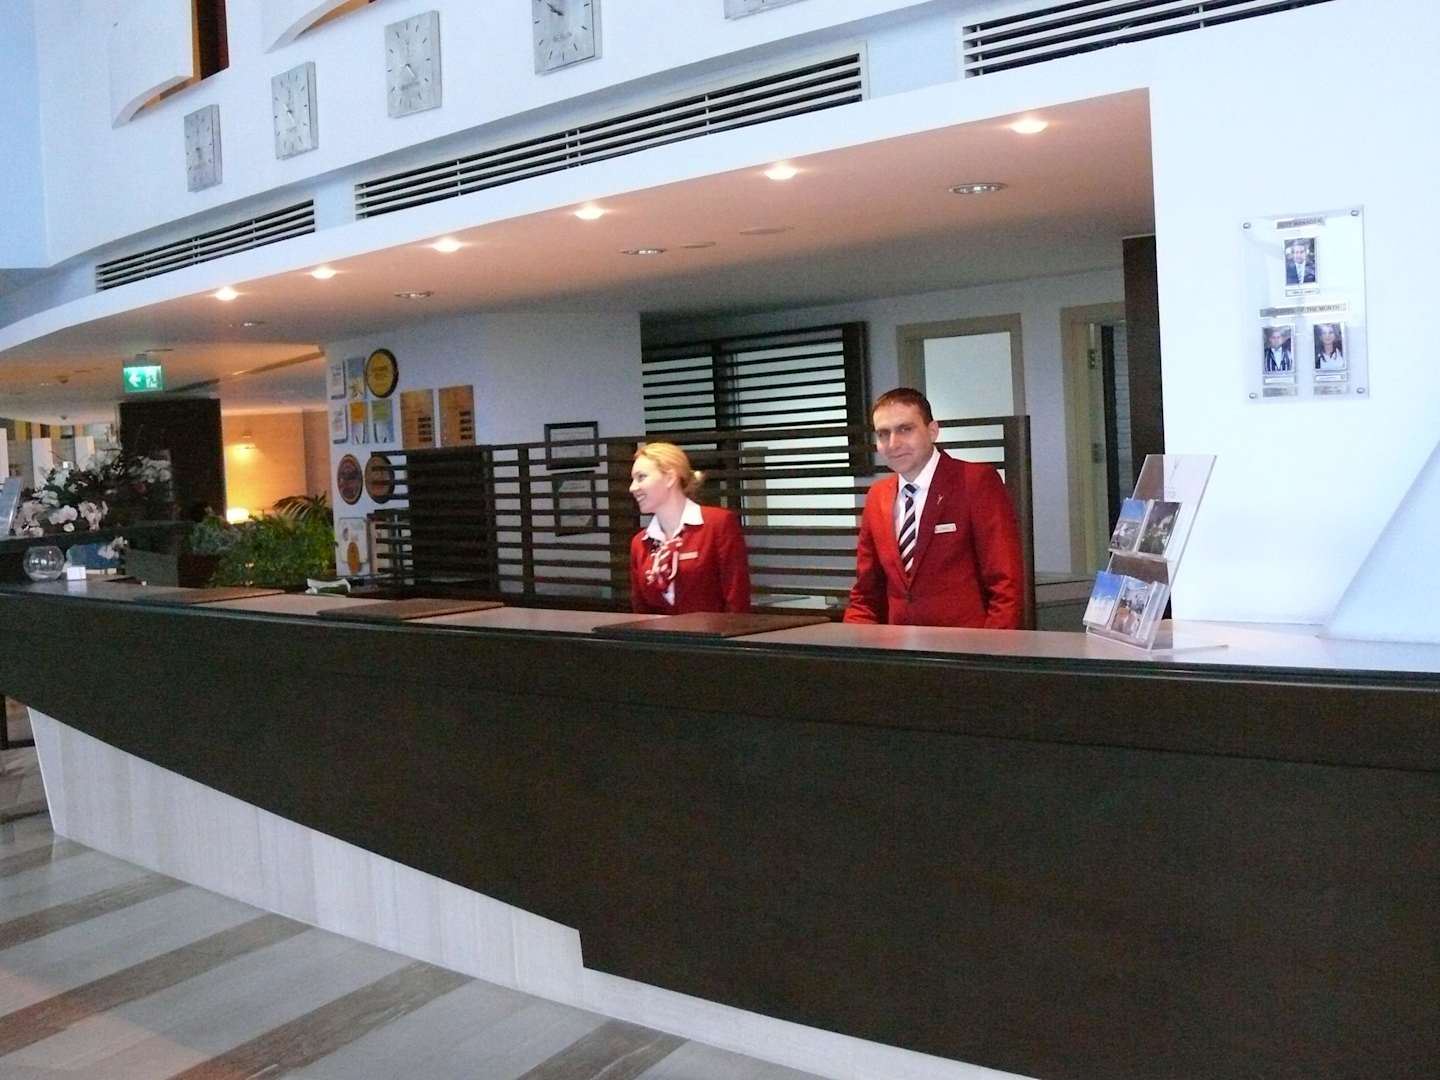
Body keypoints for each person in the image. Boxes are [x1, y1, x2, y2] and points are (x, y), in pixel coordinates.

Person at [844, 388, 1025, 629]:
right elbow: (866, 593)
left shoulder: (974, 481)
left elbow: (1006, 583)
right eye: (883, 434)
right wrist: (854, 644)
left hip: (966, 645)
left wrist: (992, 648)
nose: (893, 443)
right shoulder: (878, 496)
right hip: (898, 647)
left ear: (932, 431)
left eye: (905, 429)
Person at [628, 441, 751, 614]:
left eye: (641, 477)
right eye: (633, 480)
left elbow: (737, 599)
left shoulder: (717, 524)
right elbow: (641, 612)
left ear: (670, 478)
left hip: (714, 631)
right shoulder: (640, 543)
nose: (632, 488)